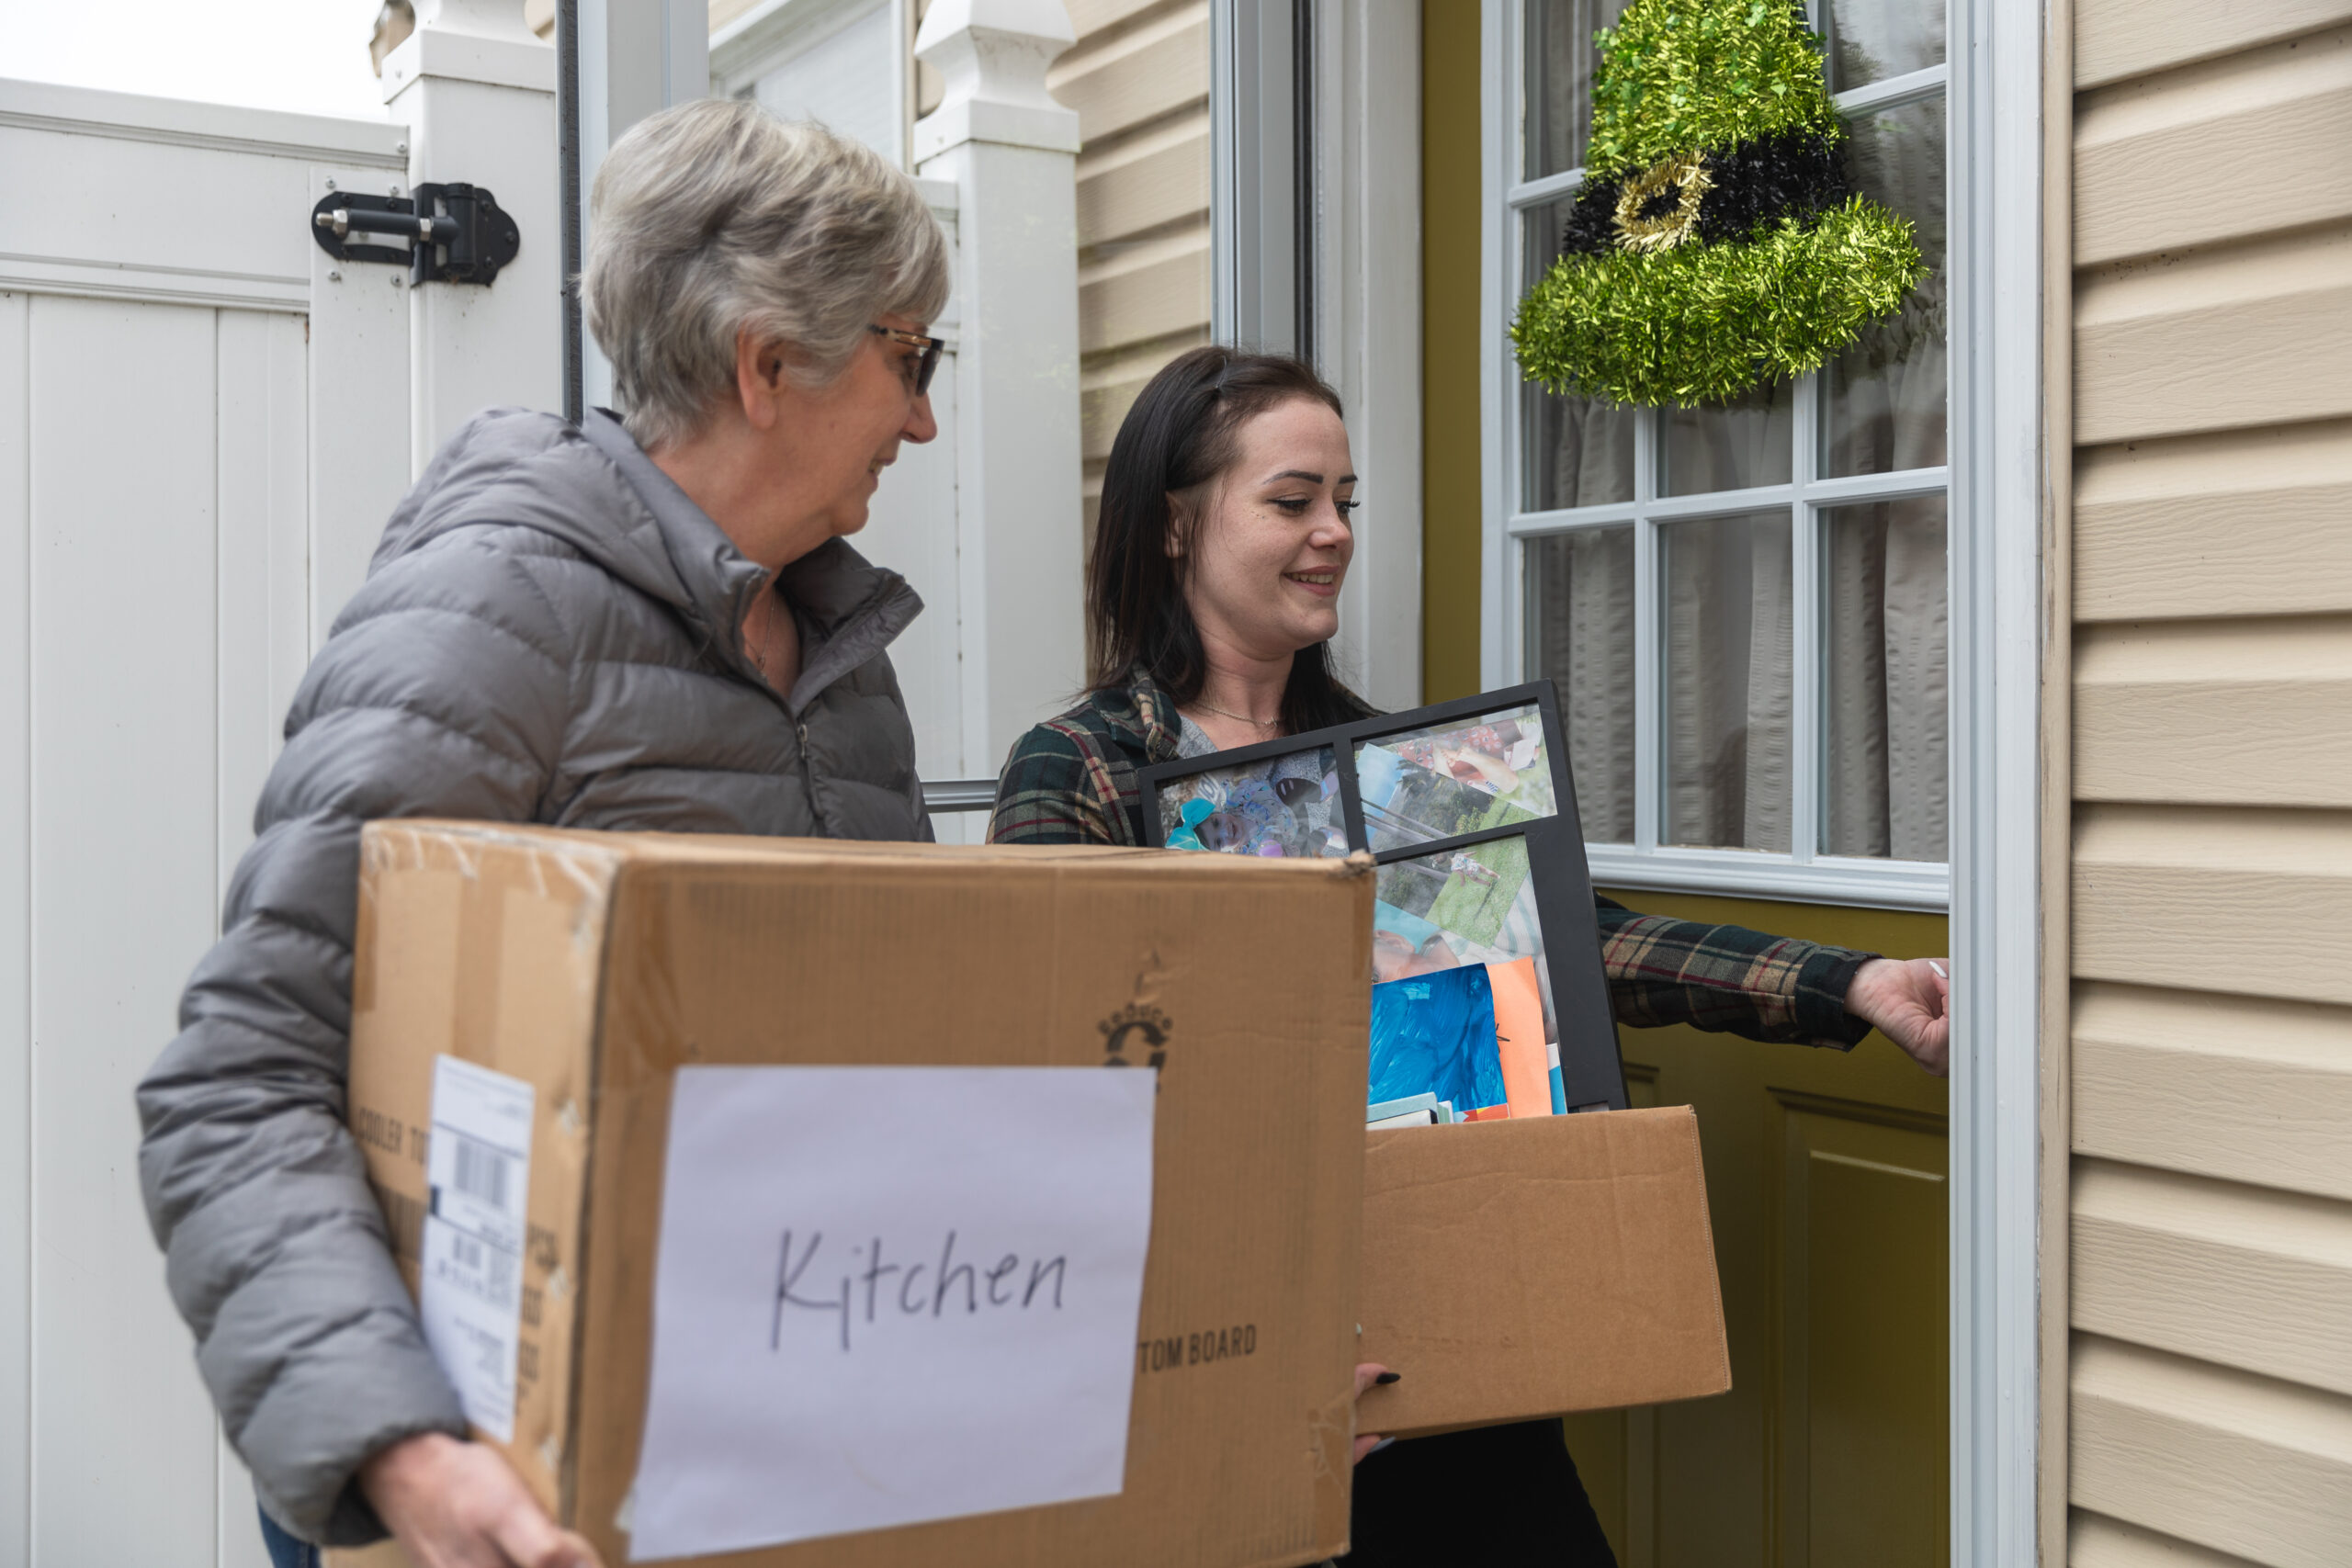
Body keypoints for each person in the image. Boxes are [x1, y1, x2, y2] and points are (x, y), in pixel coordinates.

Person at [138, 100, 950, 1568]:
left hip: (749, 1432)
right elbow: (239, 1079)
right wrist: (407, 1457)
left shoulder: (836, 643)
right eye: (911, 357)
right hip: (500, 1485)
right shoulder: (494, 615)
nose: (925, 415)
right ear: (770, 365)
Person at [987, 345, 1951, 1566]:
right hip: (1223, 1370)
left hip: (1446, 1329)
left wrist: (1851, 983)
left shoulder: (1386, 766)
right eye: (1292, 500)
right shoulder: (1076, 770)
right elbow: (1050, 1095)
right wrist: (1226, 1377)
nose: (1332, 531)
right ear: (1175, 525)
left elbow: (1579, 949)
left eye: (1344, 501)